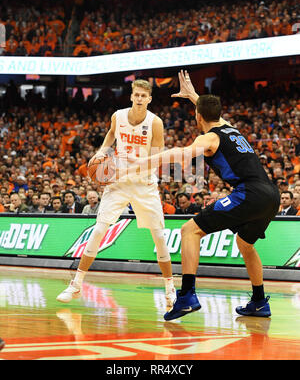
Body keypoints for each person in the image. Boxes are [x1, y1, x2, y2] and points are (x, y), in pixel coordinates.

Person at [128, 70, 280, 320]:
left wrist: (144, 161)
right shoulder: (231, 128)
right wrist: (194, 96)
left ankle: (187, 296)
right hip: (270, 194)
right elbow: (210, 112)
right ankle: (259, 301)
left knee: (189, 231)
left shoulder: (209, 137)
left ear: (198, 116)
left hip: (249, 193)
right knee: (245, 243)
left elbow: (181, 153)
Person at [56, 79, 176, 310]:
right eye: (136, 95)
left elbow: (157, 157)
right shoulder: (118, 116)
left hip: (144, 183)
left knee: (159, 236)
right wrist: (101, 153)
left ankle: (170, 288)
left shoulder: (155, 123)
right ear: (131, 96)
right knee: (99, 229)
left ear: (149, 99)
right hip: (118, 181)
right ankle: (76, 283)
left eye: (144, 96)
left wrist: (131, 165)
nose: (139, 98)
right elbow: (111, 136)